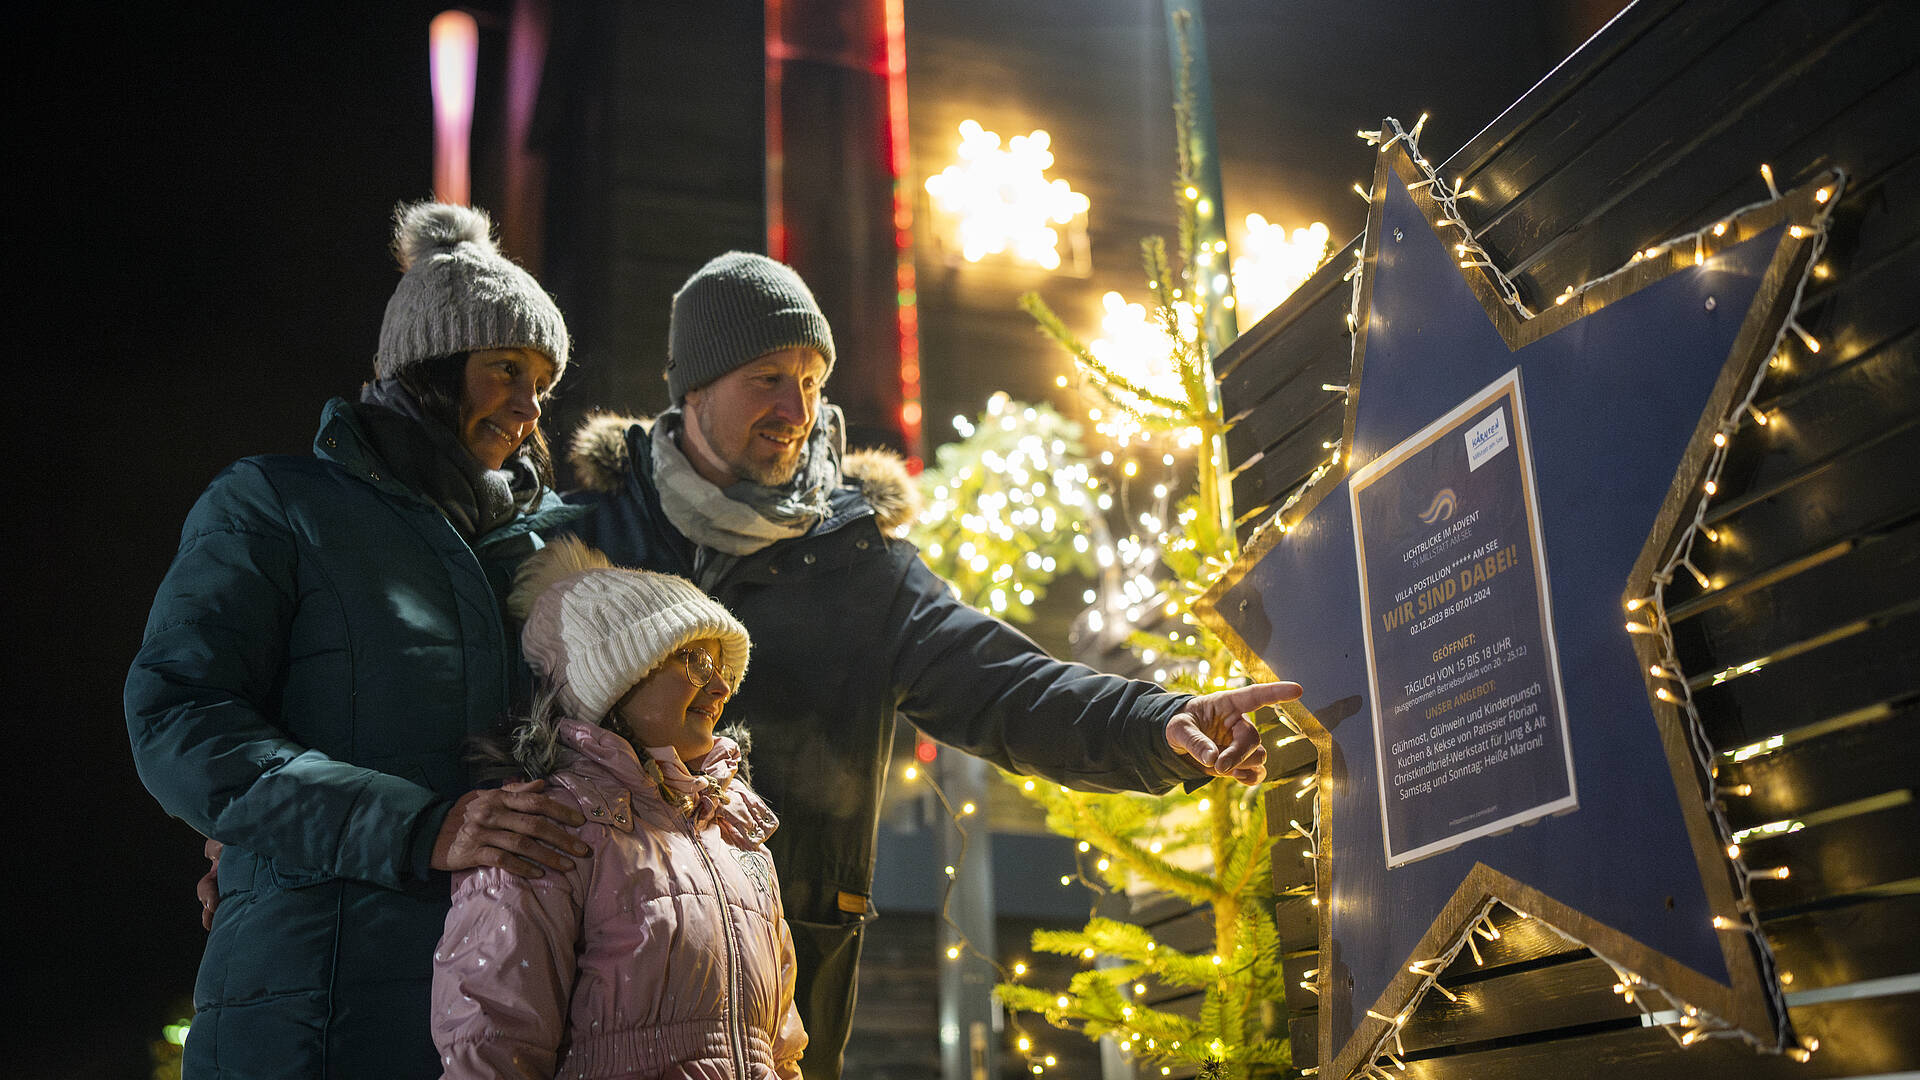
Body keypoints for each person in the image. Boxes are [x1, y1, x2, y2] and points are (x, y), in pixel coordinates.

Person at [561, 250, 1304, 1077]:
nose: (794, 408)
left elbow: (1005, 687)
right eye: (766, 377)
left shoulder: (858, 565)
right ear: (691, 387)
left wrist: (1158, 725)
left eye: (811, 380)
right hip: (594, 977)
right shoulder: (591, 541)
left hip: (778, 999)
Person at [127, 202, 596, 1079]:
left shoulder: (547, 554)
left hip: (508, 1025)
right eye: (505, 369)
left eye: (544, 382)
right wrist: (418, 826)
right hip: (311, 1012)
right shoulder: (274, 505)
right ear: (430, 366)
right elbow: (177, 718)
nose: (530, 408)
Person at [433, 537, 806, 1079]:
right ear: (615, 679)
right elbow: (491, 1043)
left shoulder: (734, 834)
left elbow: (781, 1047)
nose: (722, 685)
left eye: (722, 667)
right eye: (695, 660)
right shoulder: (546, 825)